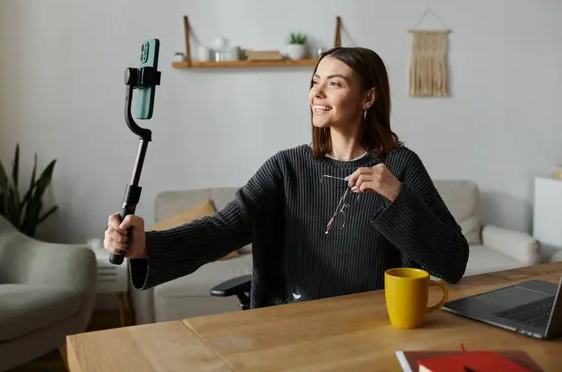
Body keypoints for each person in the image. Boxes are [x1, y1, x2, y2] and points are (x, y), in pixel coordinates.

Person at [104, 46, 469, 309]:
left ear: (368, 97)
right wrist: (145, 246)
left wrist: (396, 196)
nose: (317, 93)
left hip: (373, 324)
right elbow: (223, 228)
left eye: (335, 84)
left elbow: (453, 262)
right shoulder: (286, 168)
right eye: (315, 82)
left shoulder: (400, 167)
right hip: (295, 320)